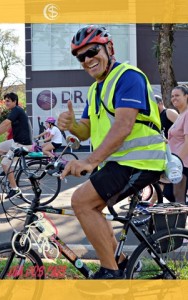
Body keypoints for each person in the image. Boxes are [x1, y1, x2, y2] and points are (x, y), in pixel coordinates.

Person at [58, 25, 165, 279]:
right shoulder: (95, 89)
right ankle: (121, 261)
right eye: (80, 57)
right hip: (119, 163)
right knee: (92, 207)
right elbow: (85, 130)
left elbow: (124, 125)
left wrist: (90, 161)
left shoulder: (129, 76)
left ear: (110, 48)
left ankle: (110, 273)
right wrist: (72, 124)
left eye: (92, 51)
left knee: (82, 202)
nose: (87, 60)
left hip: (142, 161)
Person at [0, 92, 32, 199]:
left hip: (22, 144)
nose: (6, 103)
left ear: (15, 101)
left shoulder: (17, 110)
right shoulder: (14, 112)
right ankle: (7, 169)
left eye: (8, 101)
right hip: (16, 141)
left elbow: (5, 123)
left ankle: (15, 189)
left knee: (5, 163)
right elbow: (6, 127)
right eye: (5, 101)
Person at [166, 86, 188, 203]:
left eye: (177, 95)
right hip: (178, 163)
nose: (174, 98)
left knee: (177, 197)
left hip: (182, 164)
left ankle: (181, 221)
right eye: (172, 96)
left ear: (186, 96)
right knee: (172, 194)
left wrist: (176, 162)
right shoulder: (180, 116)